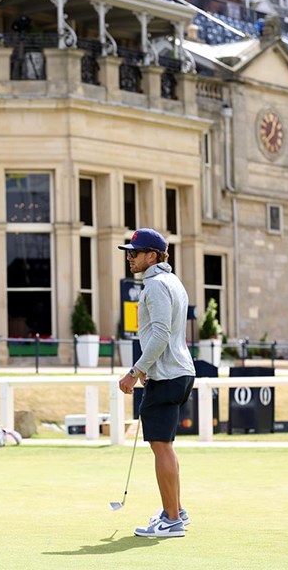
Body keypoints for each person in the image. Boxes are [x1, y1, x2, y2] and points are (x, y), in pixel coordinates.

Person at [117, 228, 196, 539]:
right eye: (128, 252)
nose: (129, 257)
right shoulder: (172, 281)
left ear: (152, 256)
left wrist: (135, 371)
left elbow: (161, 333)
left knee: (161, 446)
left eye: (134, 253)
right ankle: (174, 510)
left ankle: (172, 520)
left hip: (168, 375)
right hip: (177, 371)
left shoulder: (156, 285)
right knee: (165, 447)